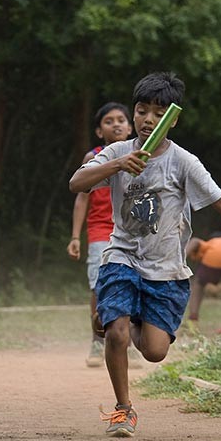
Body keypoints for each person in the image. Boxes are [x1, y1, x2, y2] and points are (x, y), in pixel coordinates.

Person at [68, 71, 221, 437]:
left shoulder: (183, 162)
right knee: (114, 332)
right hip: (121, 255)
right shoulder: (116, 152)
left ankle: (127, 319)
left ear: (172, 119)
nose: (147, 119)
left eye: (157, 112)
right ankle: (123, 408)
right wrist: (116, 165)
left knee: (155, 351)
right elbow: (76, 183)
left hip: (166, 269)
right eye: (141, 110)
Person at [66, 102, 133, 367]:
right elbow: (82, 199)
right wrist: (74, 236)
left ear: (129, 127)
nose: (116, 124)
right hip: (100, 231)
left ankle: (129, 342)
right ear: (99, 131)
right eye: (108, 121)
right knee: (98, 285)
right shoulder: (92, 157)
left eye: (121, 120)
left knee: (131, 286)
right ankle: (97, 340)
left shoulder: (142, 154)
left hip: (131, 232)